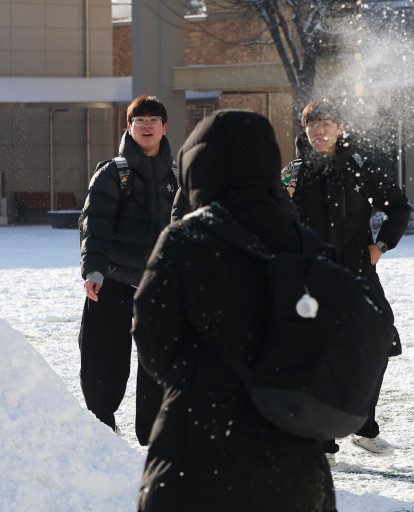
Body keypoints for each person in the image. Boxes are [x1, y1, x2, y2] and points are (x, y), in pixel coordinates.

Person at [132, 110, 337, 511]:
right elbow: (329, 334)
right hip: (292, 450)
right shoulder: (302, 243)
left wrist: (196, 382)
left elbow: (152, 333)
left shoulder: (183, 240)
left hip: (193, 445)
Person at [283, 97, 411, 465]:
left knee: (378, 342)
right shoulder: (293, 175)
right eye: (312, 124)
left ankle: (363, 424)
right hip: (313, 278)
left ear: (340, 128)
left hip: (358, 271)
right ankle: (320, 441)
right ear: (305, 129)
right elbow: (273, 221)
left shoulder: (360, 168)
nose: (319, 130)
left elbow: (399, 207)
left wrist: (381, 246)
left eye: (327, 123)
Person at [78, 95, 178, 446]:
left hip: (161, 286)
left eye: (154, 119)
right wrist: (93, 270)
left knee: (159, 363)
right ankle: (101, 428)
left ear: (165, 127)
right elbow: (95, 224)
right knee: (103, 360)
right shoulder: (112, 173)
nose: (147, 125)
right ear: (129, 127)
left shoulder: (178, 176)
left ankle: (154, 436)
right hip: (115, 283)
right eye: (140, 120)